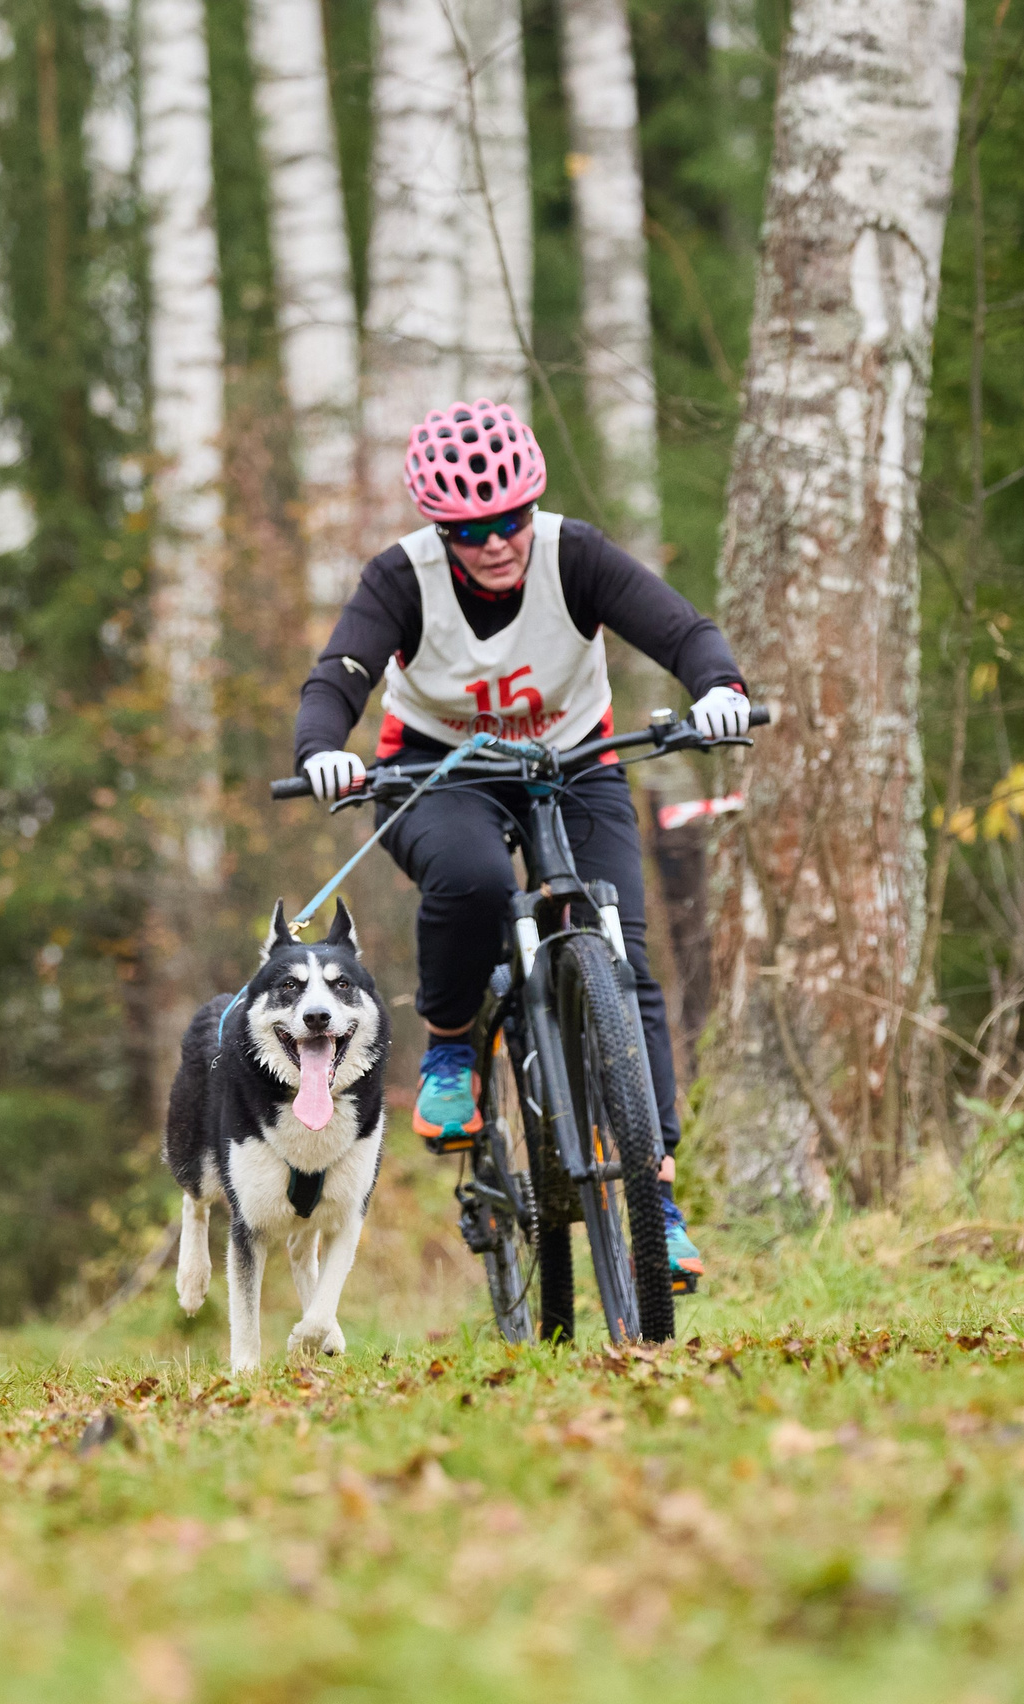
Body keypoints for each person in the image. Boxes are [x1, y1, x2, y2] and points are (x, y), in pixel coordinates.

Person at [291, 399, 749, 1286]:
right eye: (471, 530)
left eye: (510, 521)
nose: (497, 543)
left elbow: (681, 631)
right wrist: (321, 752)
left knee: (620, 949)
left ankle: (652, 1193)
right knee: (468, 879)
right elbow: (339, 672)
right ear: (441, 528)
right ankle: (454, 1043)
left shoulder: (576, 556)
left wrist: (719, 686)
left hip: (575, 759)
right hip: (434, 770)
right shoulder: (401, 579)